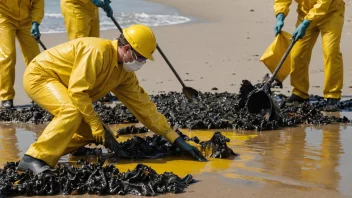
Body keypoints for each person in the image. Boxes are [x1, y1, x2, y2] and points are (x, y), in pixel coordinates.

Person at [17, 24, 207, 174]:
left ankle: (49, 151)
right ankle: (34, 159)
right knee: (72, 111)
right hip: (41, 76)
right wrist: (94, 122)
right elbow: (77, 92)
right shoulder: (97, 51)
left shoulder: (124, 75)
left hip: (67, 86)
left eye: (144, 60)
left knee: (94, 134)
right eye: (139, 57)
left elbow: (145, 109)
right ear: (125, 48)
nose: (141, 63)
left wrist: (176, 139)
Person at [273, 0, 345, 111]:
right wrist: (280, 15)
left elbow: (323, 4)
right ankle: (300, 93)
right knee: (298, 53)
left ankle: (332, 95)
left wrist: (306, 22)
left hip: (331, 12)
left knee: (331, 52)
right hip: (305, 13)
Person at [61, 0, 114, 102]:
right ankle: (77, 90)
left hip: (92, 7)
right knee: (81, 49)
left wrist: (105, 1)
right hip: (76, 6)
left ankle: (96, 88)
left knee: (94, 47)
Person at [0, 0, 44, 108]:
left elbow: (38, 2)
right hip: (4, 17)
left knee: (35, 58)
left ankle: (38, 95)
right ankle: (6, 97)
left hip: (26, 19)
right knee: (8, 56)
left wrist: (35, 22)